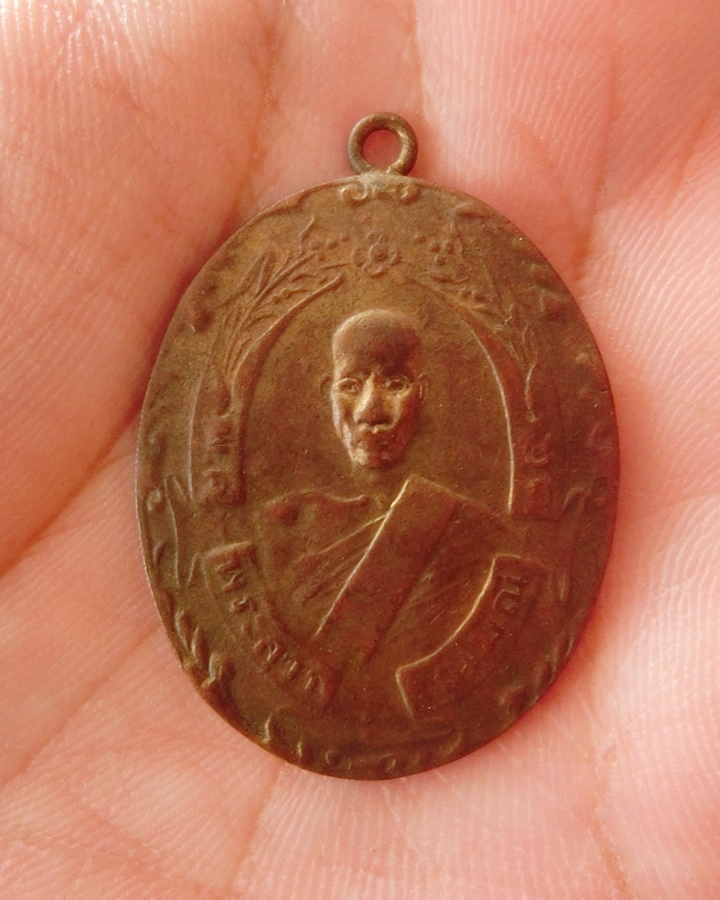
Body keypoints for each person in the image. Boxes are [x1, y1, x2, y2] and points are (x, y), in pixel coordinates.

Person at [2, 2, 718, 897]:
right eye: (351, 387)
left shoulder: (463, 534)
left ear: (425, 396)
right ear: (326, 397)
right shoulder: (287, 527)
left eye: (394, 385)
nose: (373, 410)